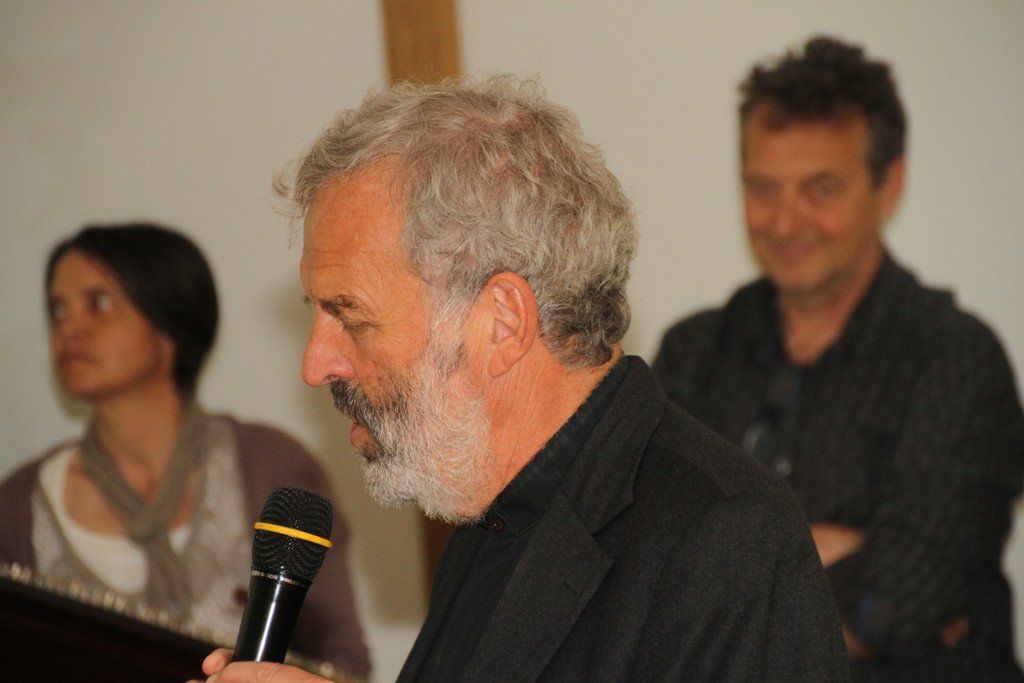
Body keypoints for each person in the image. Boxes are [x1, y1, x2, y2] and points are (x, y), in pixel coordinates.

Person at [199, 76, 847, 682]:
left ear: (503, 322)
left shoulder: (729, 539)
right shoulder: (488, 508)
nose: (315, 364)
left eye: (352, 317)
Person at [653, 36, 1024, 679]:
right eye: (763, 188)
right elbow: (638, 573)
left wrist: (713, 574)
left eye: (820, 189)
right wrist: (831, 552)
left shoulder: (957, 361)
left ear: (889, 184)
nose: (785, 221)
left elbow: (897, 607)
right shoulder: (694, 353)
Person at [0, 223, 370, 679]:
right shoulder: (18, 503)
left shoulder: (270, 463)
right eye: (57, 309)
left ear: (168, 322)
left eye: (98, 303)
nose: (69, 327)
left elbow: (341, 664)